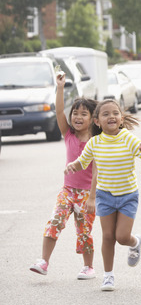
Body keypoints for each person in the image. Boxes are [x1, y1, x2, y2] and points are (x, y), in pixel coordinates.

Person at [64, 99, 141, 292]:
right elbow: (82, 162)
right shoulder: (95, 142)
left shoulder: (128, 138)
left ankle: (135, 242)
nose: (111, 117)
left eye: (115, 113)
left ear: (121, 118)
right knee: (108, 237)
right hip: (105, 195)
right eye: (106, 114)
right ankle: (108, 276)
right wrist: (72, 166)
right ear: (97, 121)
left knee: (122, 236)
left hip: (127, 195)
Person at [30, 73, 99, 279]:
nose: (78, 117)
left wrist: (93, 197)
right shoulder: (68, 134)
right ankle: (44, 261)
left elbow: (96, 171)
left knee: (84, 231)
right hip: (67, 191)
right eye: (75, 113)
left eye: (83, 114)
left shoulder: (96, 140)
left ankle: (88, 267)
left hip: (87, 194)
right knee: (55, 221)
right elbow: (59, 110)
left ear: (93, 119)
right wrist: (60, 88)